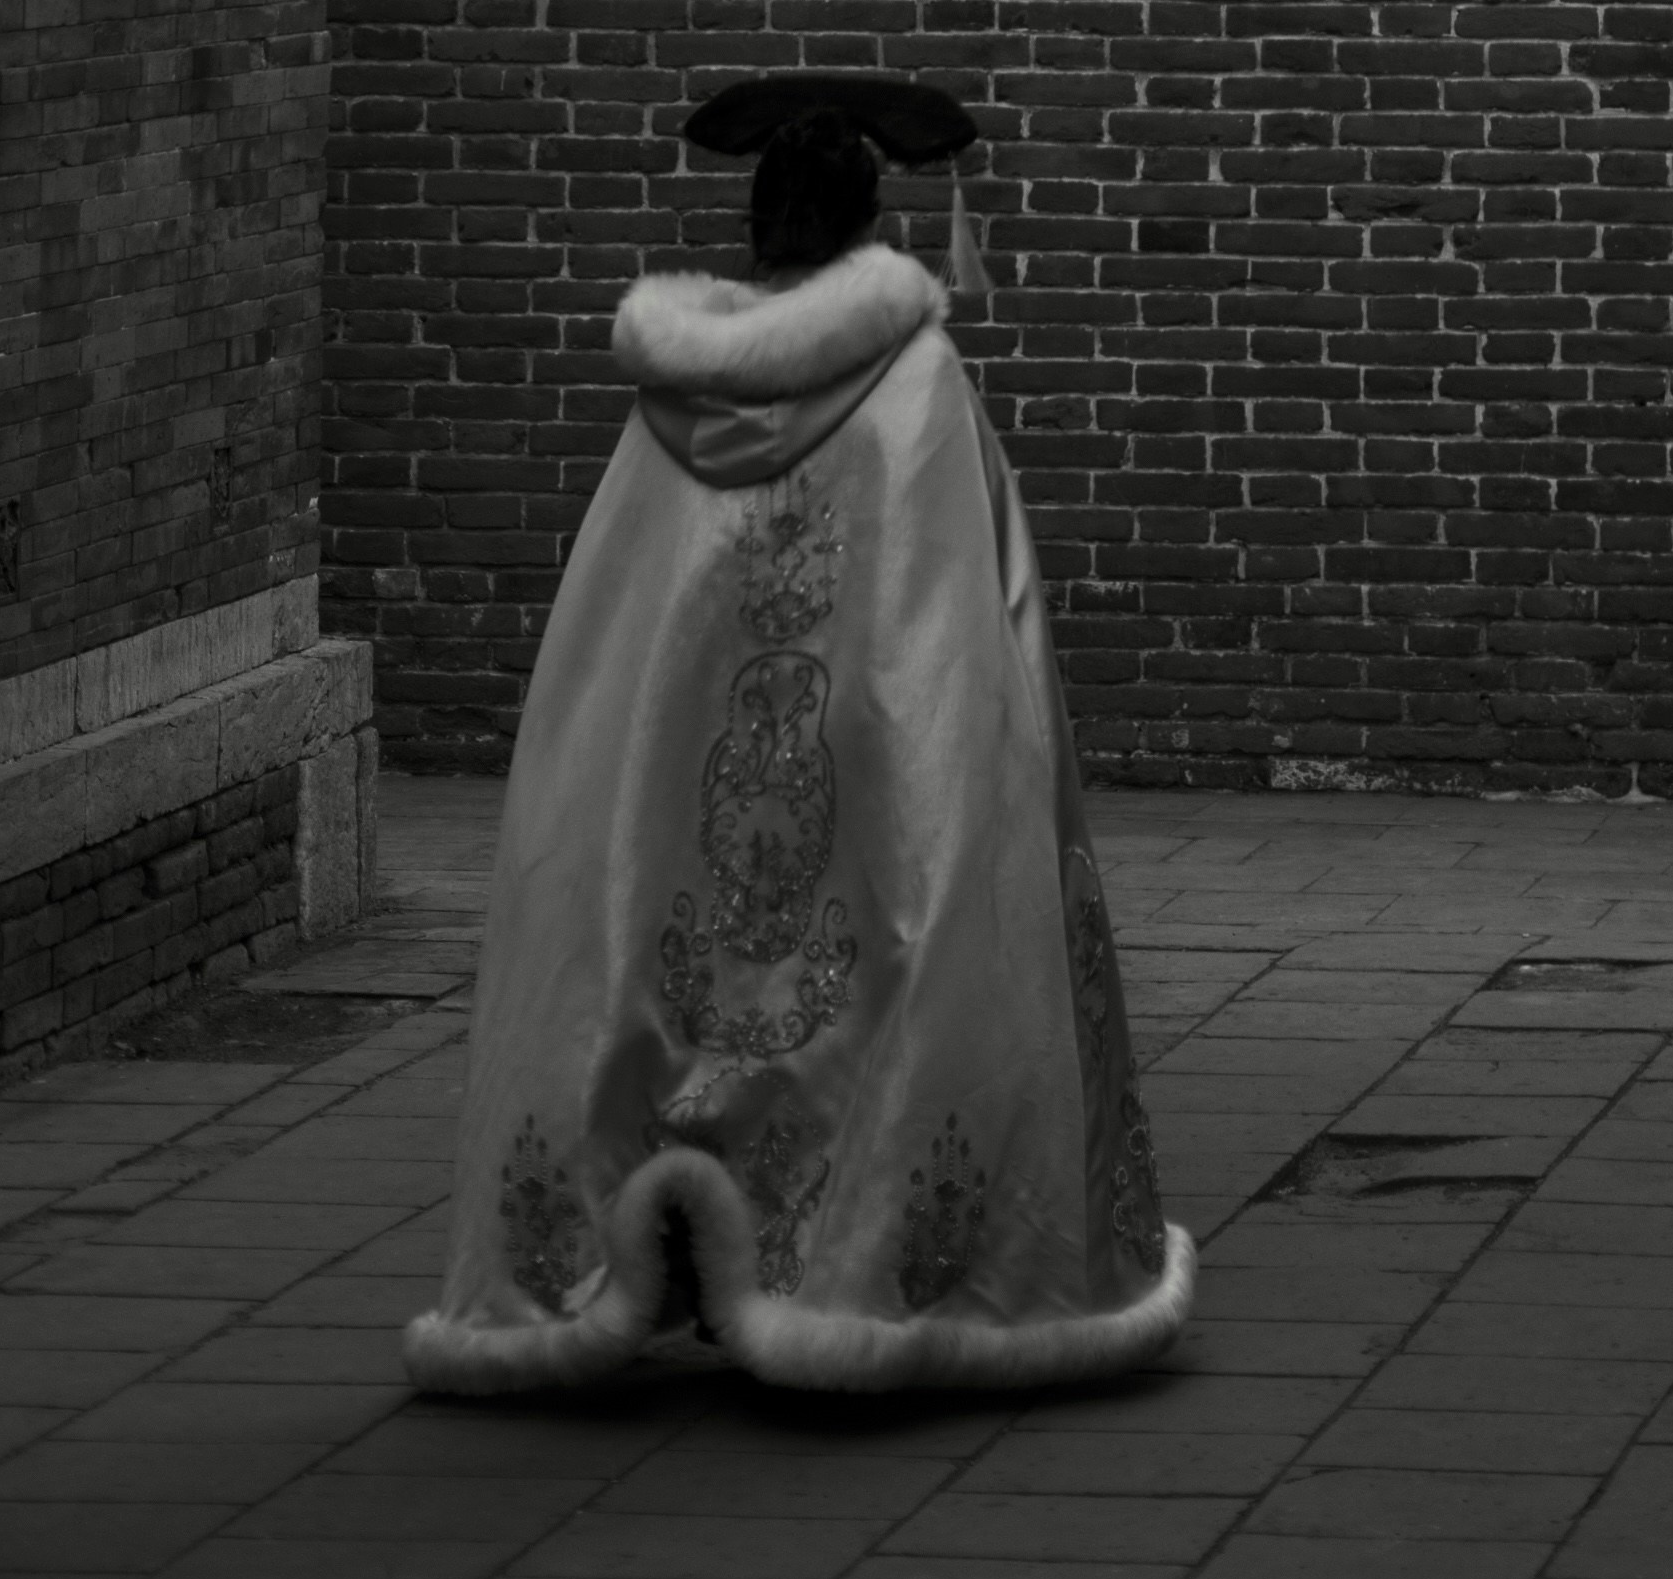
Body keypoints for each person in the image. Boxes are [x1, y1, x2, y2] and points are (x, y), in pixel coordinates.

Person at [404, 69, 1193, 1398]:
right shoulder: (916, 382)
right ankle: (869, 1278)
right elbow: (961, 625)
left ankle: (650, 1248)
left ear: (757, 232)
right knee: (890, 978)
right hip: (865, 788)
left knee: (650, 978)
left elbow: (619, 643)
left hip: (687, 807)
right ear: (873, 226)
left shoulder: (669, 402)